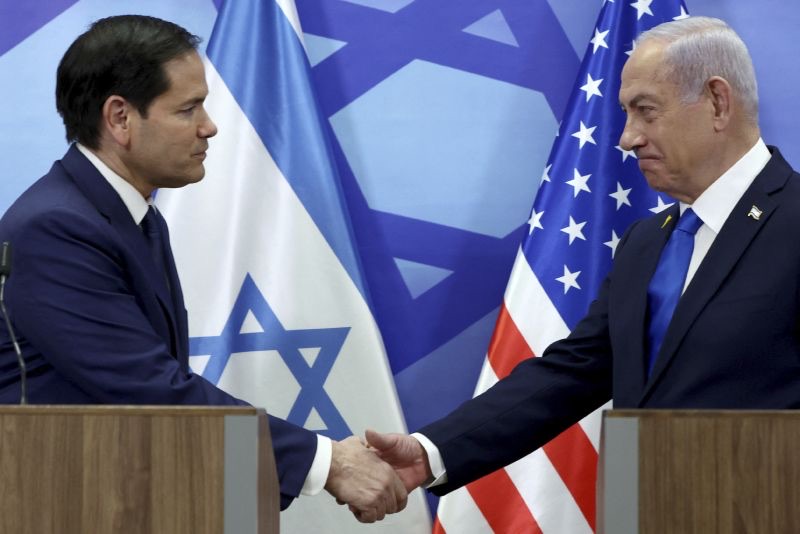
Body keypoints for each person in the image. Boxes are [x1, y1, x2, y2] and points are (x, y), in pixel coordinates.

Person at [367, 16, 800, 496]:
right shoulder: (647, 242)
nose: (627, 137)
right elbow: (574, 372)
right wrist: (432, 453)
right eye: (626, 113)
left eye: (646, 111)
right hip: (644, 512)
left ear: (718, 102)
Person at [0, 15, 405, 522]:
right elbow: (145, 388)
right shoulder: (57, 227)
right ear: (120, 118)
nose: (209, 126)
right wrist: (326, 462)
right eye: (188, 108)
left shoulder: (132, 214)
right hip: (62, 503)